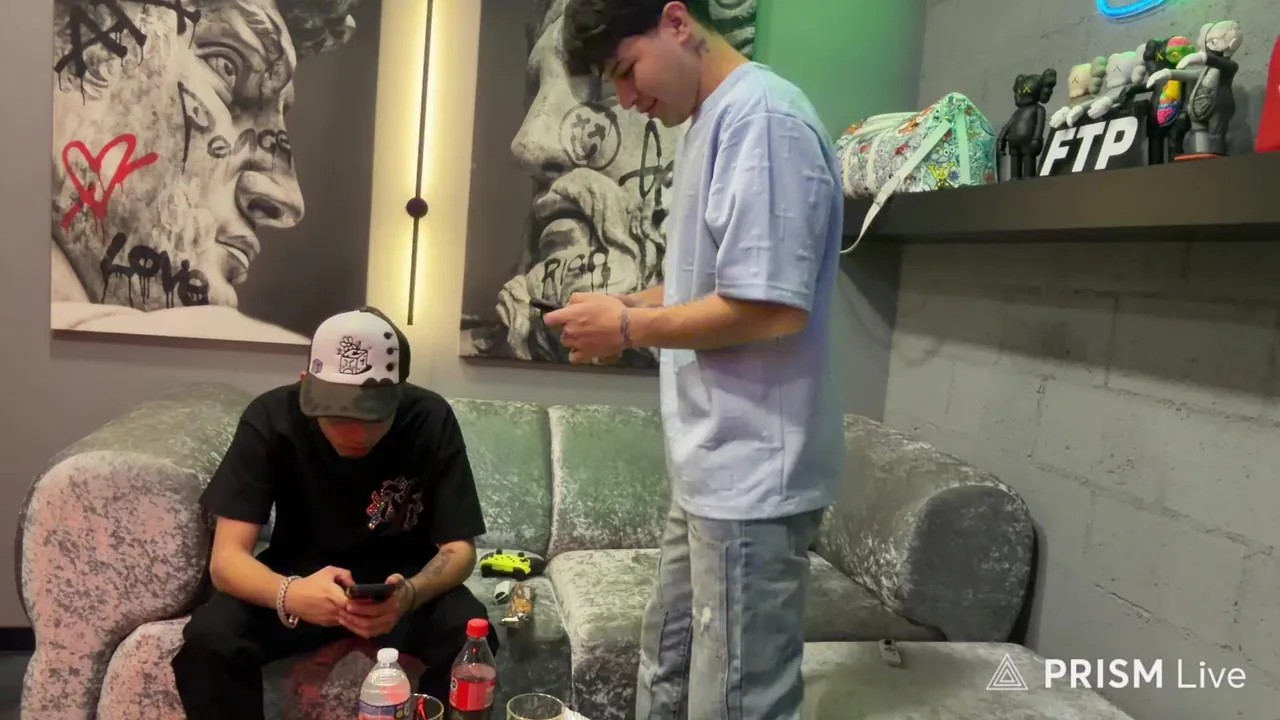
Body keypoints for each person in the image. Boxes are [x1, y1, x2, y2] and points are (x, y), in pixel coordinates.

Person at [545, 2, 845, 719]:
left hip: (750, 476)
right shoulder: (713, 120)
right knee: (670, 667)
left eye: (627, 70)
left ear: (677, 22)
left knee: (736, 700)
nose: (626, 99)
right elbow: (707, 285)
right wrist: (625, 304)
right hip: (710, 470)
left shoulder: (763, 121)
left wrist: (626, 326)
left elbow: (772, 306)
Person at [171, 306, 498, 719]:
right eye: (338, 413)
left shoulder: (430, 418)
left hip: (400, 583)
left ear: (399, 393)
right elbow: (226, 561)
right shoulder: (270, 417)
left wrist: (410, 595)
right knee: (209, 641)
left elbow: (458, 550)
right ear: (306, 385)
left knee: (469, 637)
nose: (356, 433)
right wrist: (290, 594)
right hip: (298, 575)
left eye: (374, 415)